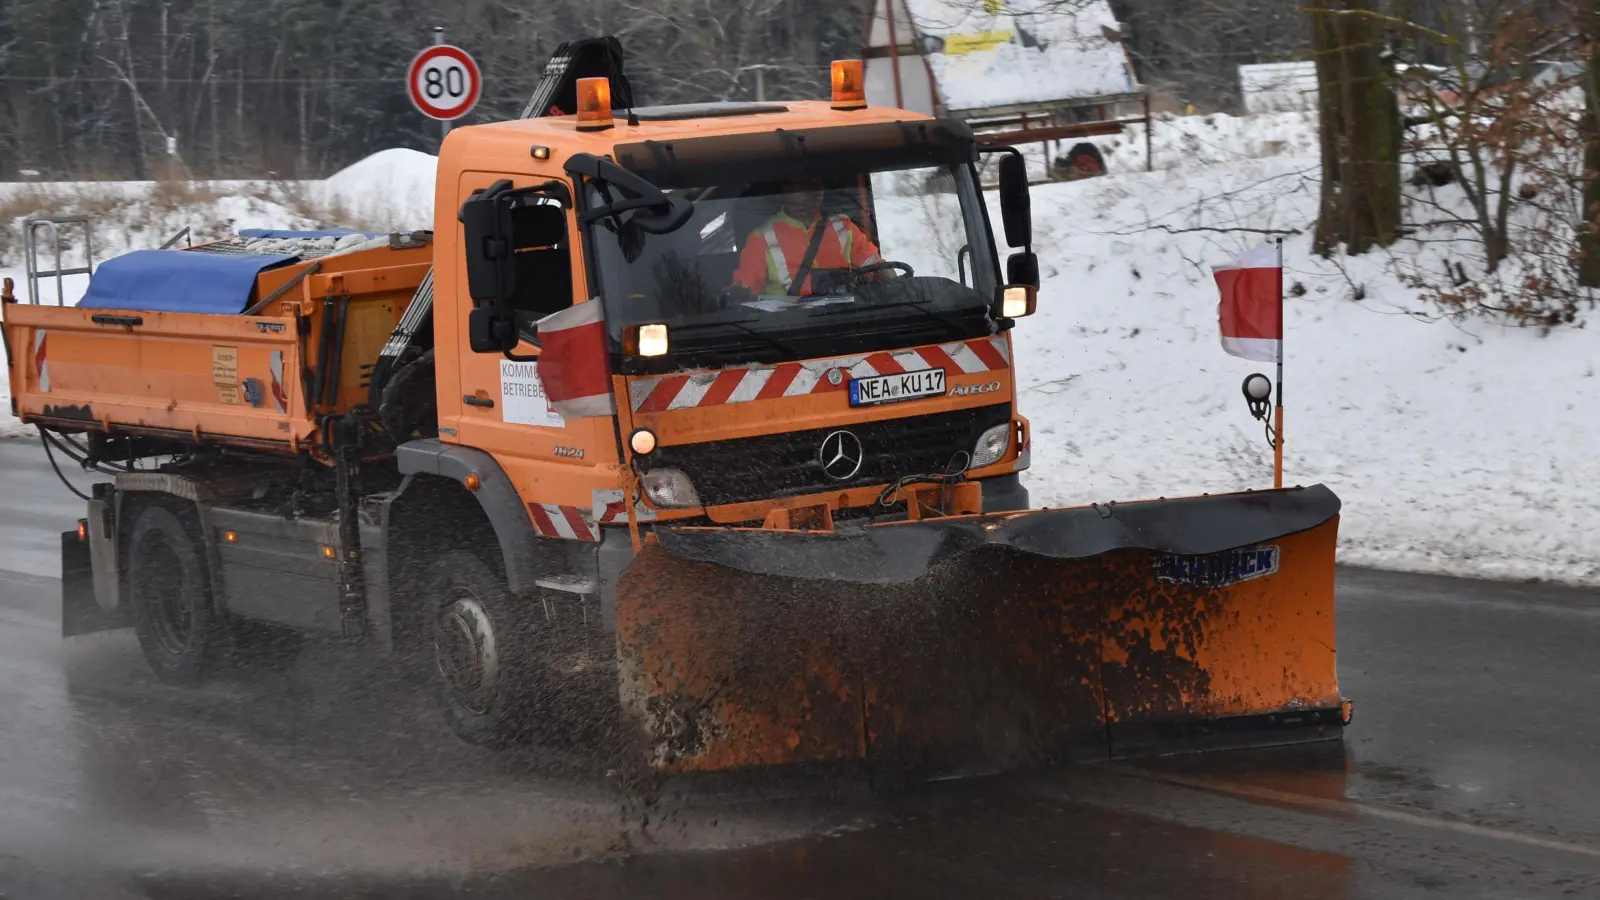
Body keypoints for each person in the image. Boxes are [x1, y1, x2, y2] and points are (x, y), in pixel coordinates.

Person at [731, 179, 885, 298]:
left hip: (842, 322)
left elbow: (876, 267)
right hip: (790, 329)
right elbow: (745, 289)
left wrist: (888, 276)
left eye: (816, 186)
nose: (811, 194)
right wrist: (736, 293)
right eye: (802, 187)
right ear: (786, 190)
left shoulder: (844, 228)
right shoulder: (761, 238)